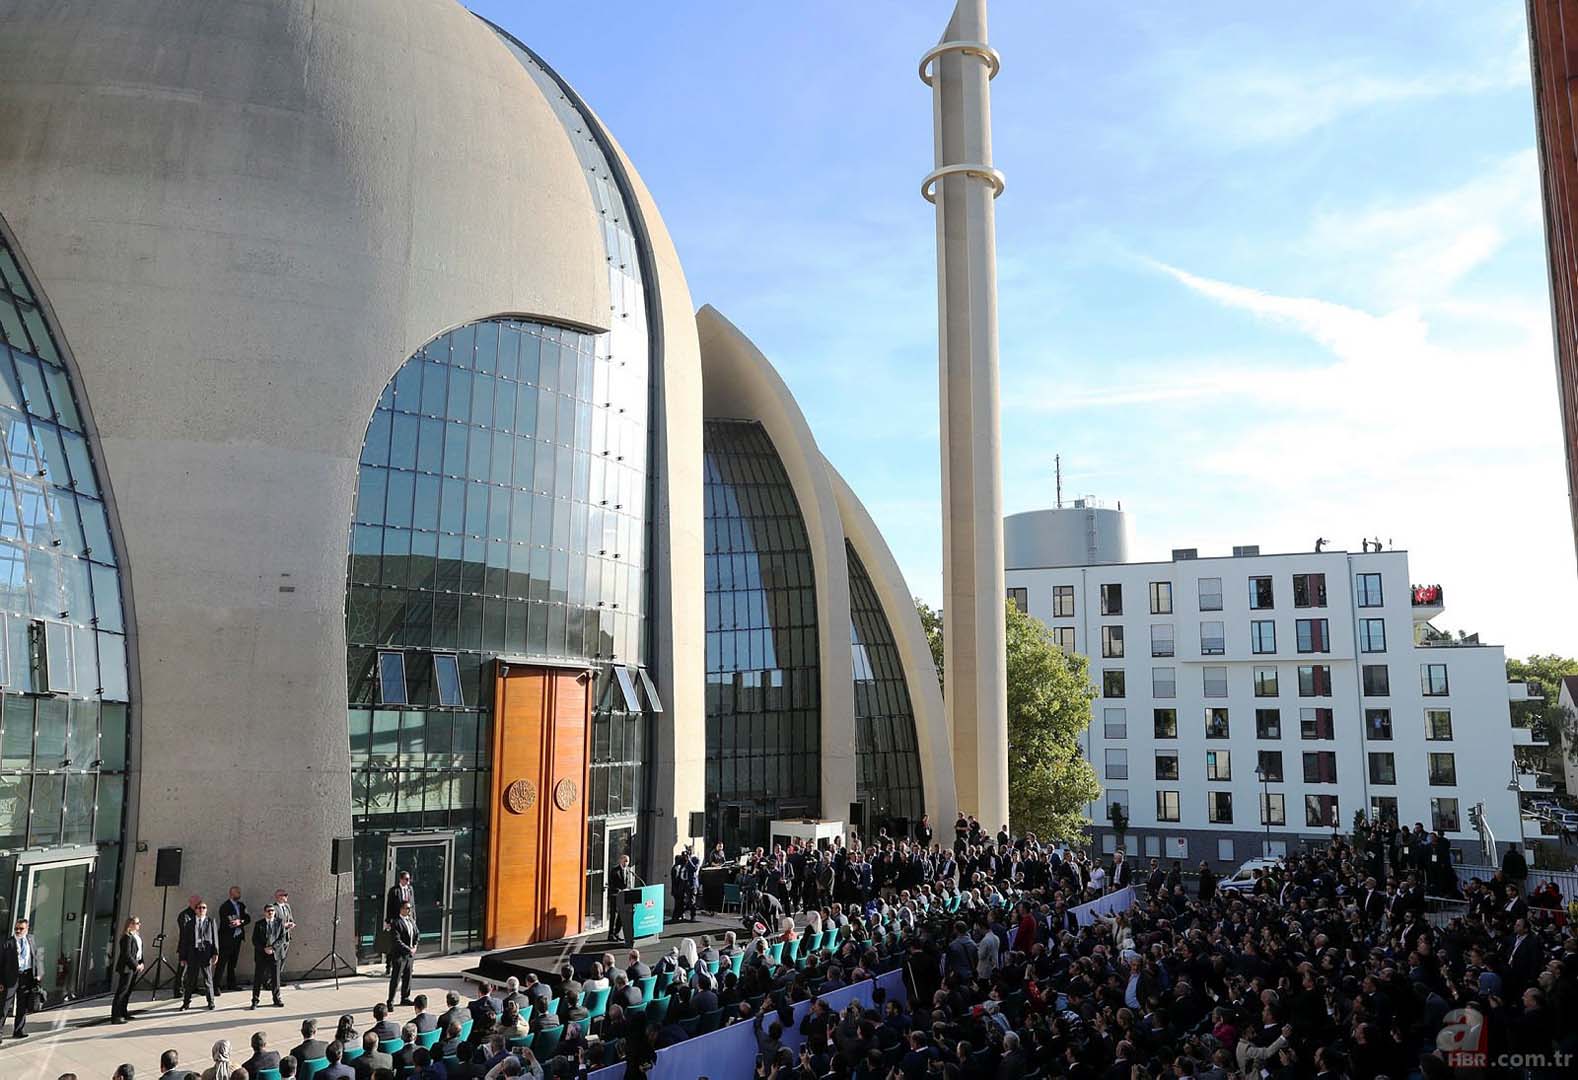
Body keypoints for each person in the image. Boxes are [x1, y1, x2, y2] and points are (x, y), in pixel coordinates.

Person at [0, 916, 44, 1039]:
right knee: (4, 1006)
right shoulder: (8, 943)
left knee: (22, 1005)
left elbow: (37, 957)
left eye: (21, 929)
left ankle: (18, 1030)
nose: (18, 931)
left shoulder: (31, 939)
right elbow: (1, 964)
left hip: (27, 976)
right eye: (16, 929)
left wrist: (39, 974)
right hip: (11, 978)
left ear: (27, 929)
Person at [180, 899, 221, 1010]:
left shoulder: (211, 921)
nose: (202, 910)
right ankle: (186, 1002)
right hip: (193, 953)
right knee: (190, 980)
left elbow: (215, 939)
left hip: (206, 954)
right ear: (195, 910)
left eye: (204, 908)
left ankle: (211, 1001)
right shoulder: (190, 923)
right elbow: (184, 941)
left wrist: (215, 953)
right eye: (199, 908)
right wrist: (183, 956)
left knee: (208, 979)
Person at [250, 901, 286, 1009]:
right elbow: (254, 940)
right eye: (268, 911)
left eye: (272, 911)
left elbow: (282, 938)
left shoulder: (279, 923)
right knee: (258, 978)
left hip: (275, 954)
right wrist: (264, 949)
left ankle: (277, 998)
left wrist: (273, 948)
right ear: (264, 913)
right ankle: (255, 1000)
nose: (271, 913)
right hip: (262, 954)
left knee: (275, 978)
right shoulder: (259, 924)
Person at [111, 915, 145, 1023]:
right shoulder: (127, 937)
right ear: (130, 925)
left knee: (128, 991)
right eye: (136, 923)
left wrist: (142, 962)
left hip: (135, 966)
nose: (139, 925)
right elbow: (127, 955)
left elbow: (138, 951)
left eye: (139, 923)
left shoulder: (136, 936)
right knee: (122, 991)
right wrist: (136, 965)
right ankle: (116, 1015)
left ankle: (123, 1012)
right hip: (127, 968)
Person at [217, 886, 251, 993]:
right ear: (231, 893)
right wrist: (233, 923)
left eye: (239, 892)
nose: (239, 894)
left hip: (237, 937)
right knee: (222, 962)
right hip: (226, 939)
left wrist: (240, 922)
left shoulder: (241, 905)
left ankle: (231, 984)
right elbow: (225, 921)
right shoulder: (225, 906)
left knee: (233, 963)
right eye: (237, 892)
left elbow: (247, 918)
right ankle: (216, 985)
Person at [387, 899, 419, 1007]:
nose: (409, 910)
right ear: (401, 909)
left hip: (410, 955)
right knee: (396, 978)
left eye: (410, 908)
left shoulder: (411, 921)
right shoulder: (396, 922)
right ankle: (390, 1000)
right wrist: (408, 949)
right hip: (399, 955)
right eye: (407, 908)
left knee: (408, 977)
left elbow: (417, 934)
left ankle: (405, 997)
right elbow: (396, 940)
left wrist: (414, 946)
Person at [607, 852, 637, 943]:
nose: (626, 863)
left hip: (625, 897)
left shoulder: (628, 870)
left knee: (621, 915)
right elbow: (612, 884)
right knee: (614, 915)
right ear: (621, 861)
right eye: (625, 861)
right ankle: (611, 934)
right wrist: (619, 890)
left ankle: (617, 933)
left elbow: (628, 883)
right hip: (616, 896)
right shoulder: (614, 870)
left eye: (627, 862)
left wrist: (628, 890)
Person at [273, 889, 296, 975]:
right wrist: (284, 925)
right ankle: (269, 981)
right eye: (284, 895)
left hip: (287, 936)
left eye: (286, 895)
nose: (286, 897)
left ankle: (278, 979)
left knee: (283, 959)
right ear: (278, 896)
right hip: (278, 938)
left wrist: (291, 924)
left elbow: (290, 918)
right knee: (276, 959)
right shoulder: (274, 908)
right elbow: (272, 922)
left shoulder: (287, 906)